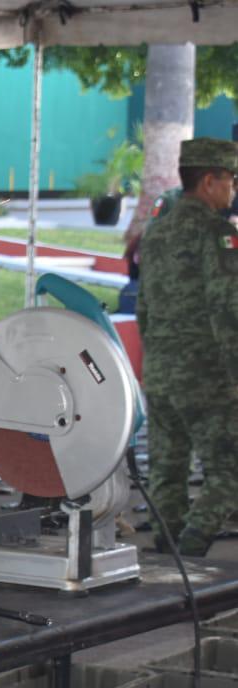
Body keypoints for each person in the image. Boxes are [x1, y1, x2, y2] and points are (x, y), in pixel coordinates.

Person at [135, 137, 238, 557]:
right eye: (231, 179)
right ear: (211, 181)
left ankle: (167, 550)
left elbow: (143, 306)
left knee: (167, 466)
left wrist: (155, 358)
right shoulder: (218, 232)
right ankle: (192, 545)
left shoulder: (156, 232)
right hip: (206, 373)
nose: (233, 189)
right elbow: (226, 308)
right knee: (227, 470)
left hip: (160, 370)